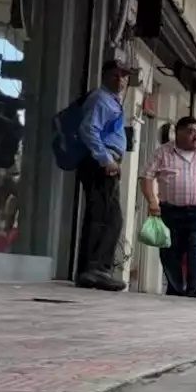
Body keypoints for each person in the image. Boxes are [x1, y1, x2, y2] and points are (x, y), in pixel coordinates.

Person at [140, 116, 196, 297]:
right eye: (191, 131)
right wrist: (152, 201)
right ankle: (176, 289)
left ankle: (195, 289)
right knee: (170, 250)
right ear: (179, 132)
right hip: (170, 211)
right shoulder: (162, 153)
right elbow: (146, 177)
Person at [75, 58, 134, 291]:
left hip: (107, 161)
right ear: (104, 76)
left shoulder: (112, 101)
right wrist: (105, 159)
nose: (120, 80)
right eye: (115, 75)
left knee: (106, 215)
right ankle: (96, 268)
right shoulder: (100, 99)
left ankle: (96, 268)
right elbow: (88, 129)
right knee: (106, 216)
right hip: (100, 162)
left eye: (124, 76)